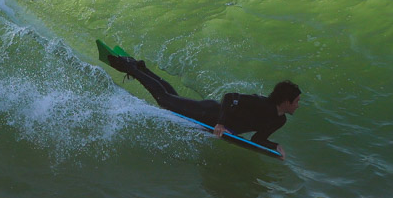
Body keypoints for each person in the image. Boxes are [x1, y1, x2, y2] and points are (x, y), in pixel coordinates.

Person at [107, 54, 300, 159]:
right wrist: (221, 124)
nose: (298, 105)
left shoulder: (279, 120)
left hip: (211, 119)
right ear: (286, 101)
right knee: (164, 100)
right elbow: (229, 97)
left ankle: (142, 68)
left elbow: (258, 138)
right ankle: (130, 68)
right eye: (296, 101)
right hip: (207, 112)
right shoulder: (261, 103)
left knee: (172, 98)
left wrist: (274, 146)